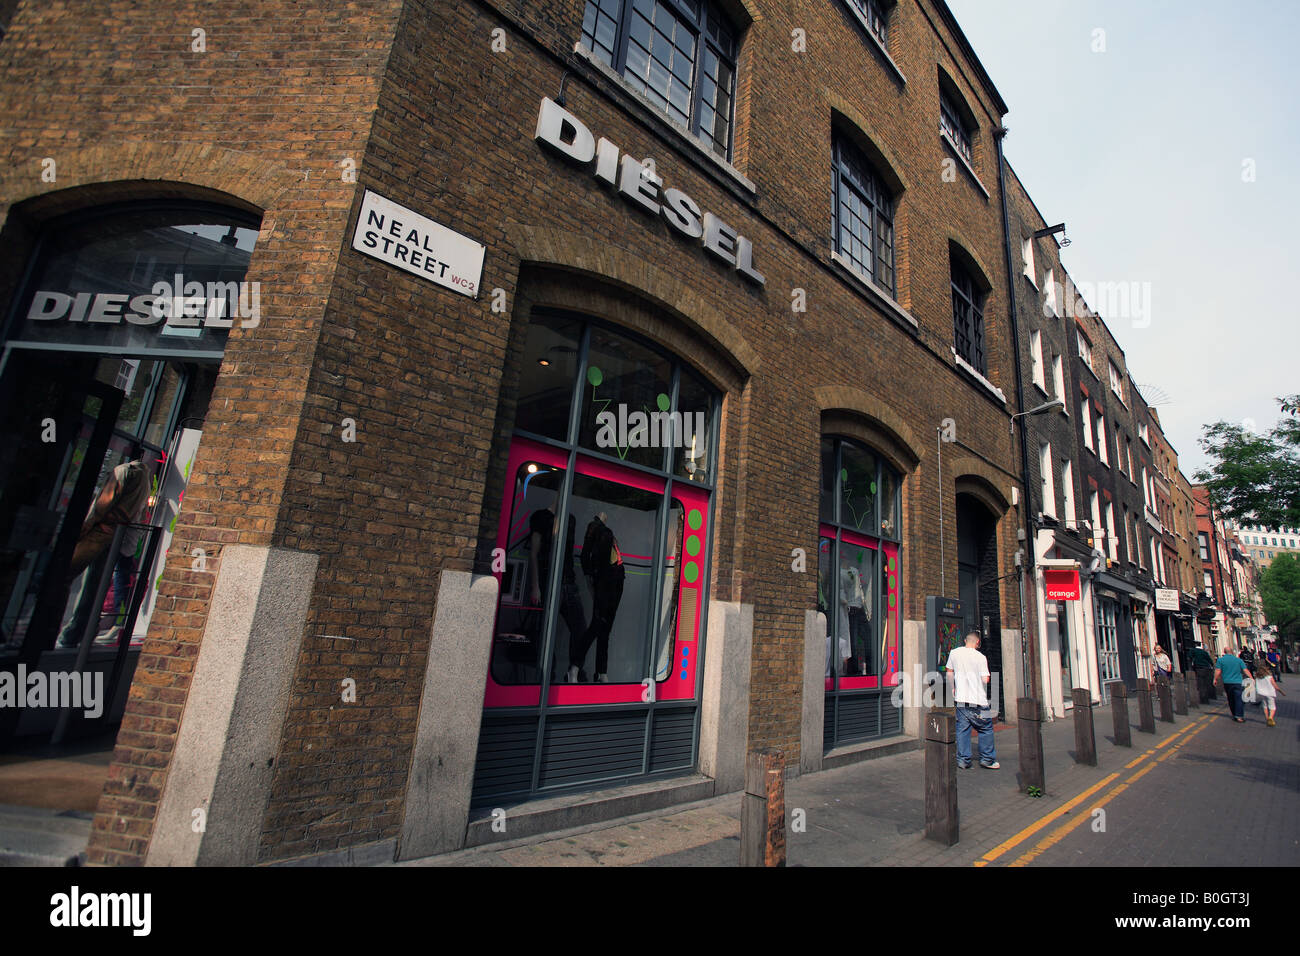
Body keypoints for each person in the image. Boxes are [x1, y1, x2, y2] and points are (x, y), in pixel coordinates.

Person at [57, 448, 153, 648]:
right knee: (94, 585)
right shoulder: (145, 478)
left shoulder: (124, 471)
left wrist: (85, 528)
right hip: (118, 536)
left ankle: (61, 630)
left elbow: (102, 505)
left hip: (102, 532)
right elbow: (140, 512)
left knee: (65, 576)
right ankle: (82, 631)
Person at [946, 631, 998, 769]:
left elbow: (949, 672)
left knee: (963, 729)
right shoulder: (980, 657)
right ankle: (987, 759)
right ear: (977, 643)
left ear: (965, 640)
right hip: (979, 700)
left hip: (961, 699)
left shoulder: (954, 653)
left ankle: (963, 760)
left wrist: (953, 688)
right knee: (986, 729)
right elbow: (985, 679)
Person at [1214, 647, 1251, 723]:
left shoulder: (1220, 660)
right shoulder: (1238, 660)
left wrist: (1215, 679)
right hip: (1238, 682)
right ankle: (1239, 716)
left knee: (1231, 699)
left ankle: (1234, 714)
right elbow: (1245, 670)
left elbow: (1218, 670)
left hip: (1227, 682)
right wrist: (1251, 678)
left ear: (1224, 652)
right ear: (1232, 652)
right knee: (1238, 699)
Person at [1253, 659, 1285, 727]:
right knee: (1272, 706)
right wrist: (1281, 691)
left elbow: (1254, 684)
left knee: (1265, 706)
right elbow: (1275, 686)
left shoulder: (1257, 677)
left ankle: (1267, 718)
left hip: (1261, 693)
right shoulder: (1269, 677)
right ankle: (1270, 718)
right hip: (1270, 693)